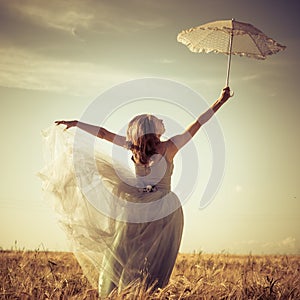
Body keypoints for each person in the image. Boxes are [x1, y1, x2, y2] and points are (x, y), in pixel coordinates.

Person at [42, 87, 231, 297]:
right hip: (163, 209)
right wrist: (219, 102)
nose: (162, 127)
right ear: (154, 131)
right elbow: (198, 124)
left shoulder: (133, 148)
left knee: (124, 250)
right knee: (153, 256)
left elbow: (103, 133)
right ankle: (145, 292)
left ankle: (118, 292)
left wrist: (76, 123)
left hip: (136, 206)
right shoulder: (170, 147)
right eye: (159, 126)